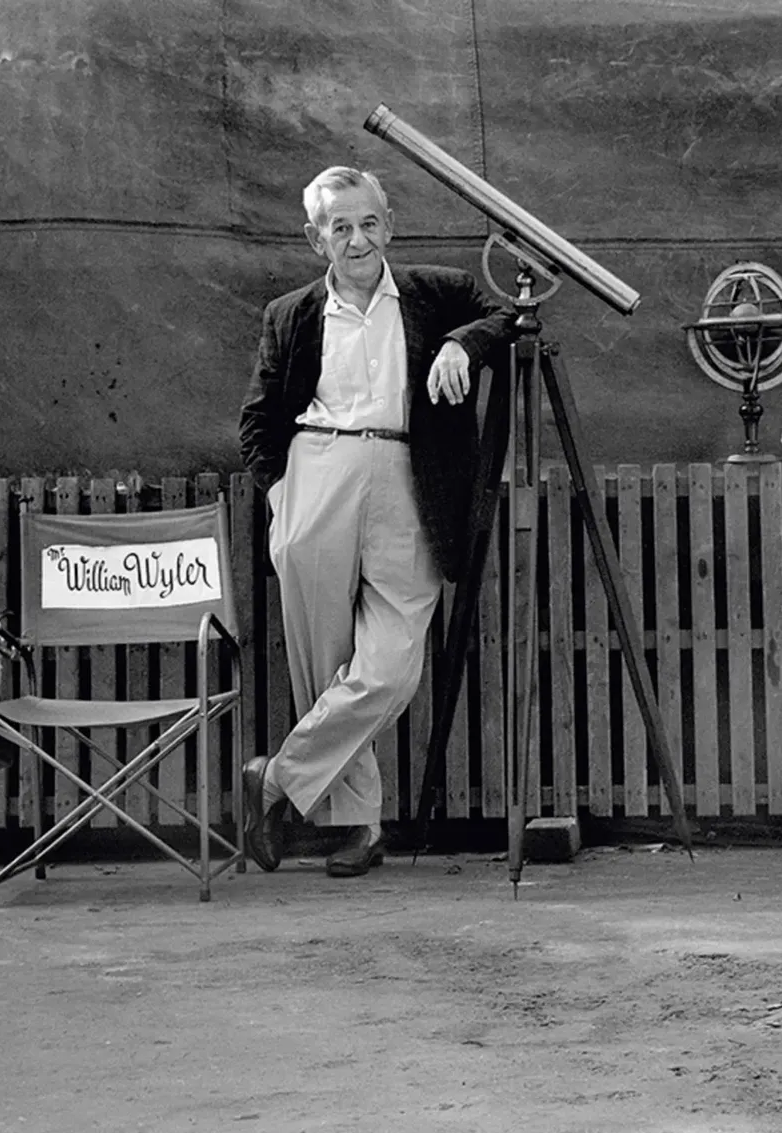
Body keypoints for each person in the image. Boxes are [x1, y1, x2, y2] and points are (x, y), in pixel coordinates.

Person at [238, 165, 513, 877]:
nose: (356, 239)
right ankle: (358, 827)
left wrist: (462, 345)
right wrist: (280, 497)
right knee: (326, 665)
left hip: (408, 476)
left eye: (368, 223)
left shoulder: (434, 293)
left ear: (388, 226)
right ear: (315, 239)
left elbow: (504, 311)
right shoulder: (290, 315)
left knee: (388, 668)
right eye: (339, 227)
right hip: (317, 474)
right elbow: (259, 421)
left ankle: (279, 778)